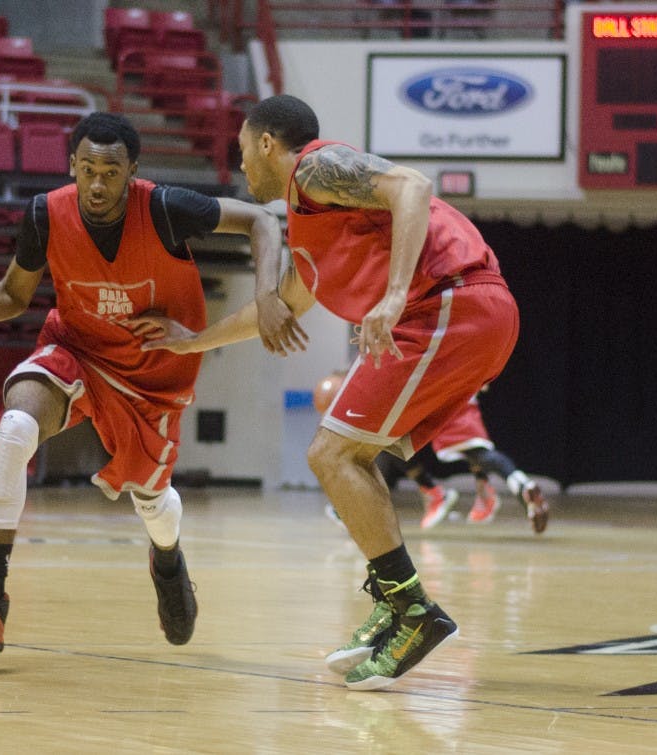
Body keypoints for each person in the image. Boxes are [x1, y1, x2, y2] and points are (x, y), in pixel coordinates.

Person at [130, 94, 526, 690]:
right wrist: (192, 344)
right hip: (456, 311)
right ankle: (398, 601)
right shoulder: (310, 225)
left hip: (451, 301)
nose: (241, 166)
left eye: (243, 150)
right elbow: (281, 306)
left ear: (267, 143)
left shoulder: (316, 167)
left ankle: (413, 610)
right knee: (346, 456)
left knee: (331, 453)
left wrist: (393, 296)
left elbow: (412, 186)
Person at [0, 112, 283, 653]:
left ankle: (167, 562)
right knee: (14, 429)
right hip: (77, 349)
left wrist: (266, 297)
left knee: (151, 498)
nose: (98, 185)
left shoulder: (165, 208)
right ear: (72, 166)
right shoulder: (45, 214)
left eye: (111, 173)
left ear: (132, 171)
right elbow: (13, 295)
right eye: (88, 170)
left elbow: (262, 220)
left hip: (153, 373)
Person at [412, 393, 548, 530]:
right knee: (474, 452)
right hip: (450, 398)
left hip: (448, 398)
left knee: (476, 452)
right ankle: (502, 488)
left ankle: (437, 493)